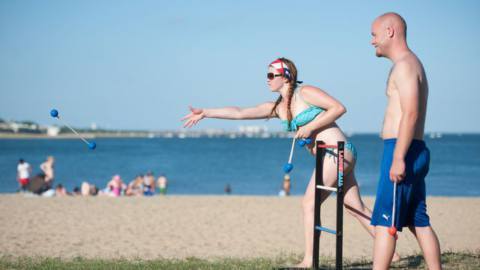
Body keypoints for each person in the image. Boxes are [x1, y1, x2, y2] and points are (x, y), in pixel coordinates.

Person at [182, 58, 398, 267]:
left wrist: (311, 127)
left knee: (308, 203)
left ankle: (309, 261)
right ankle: (392, 252)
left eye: (270, 74)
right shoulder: (277, 108)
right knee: (353, 206)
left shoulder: (306, 93)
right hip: (333, 157)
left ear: (285, 77)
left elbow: (339, 108)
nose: (266, 79)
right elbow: (240, 113)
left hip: (336, 153)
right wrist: (207, 113)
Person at [370, 13, 441, 270]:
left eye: (374, 34)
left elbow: (410, 113)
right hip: (412, 148)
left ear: (390, 31)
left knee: (385, 222)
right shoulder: (411, 64)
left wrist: (398, 157)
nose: (372, 41)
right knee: (418, 221)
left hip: (402, 149)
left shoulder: (405, 65)